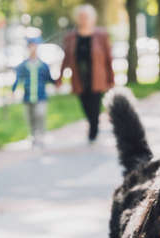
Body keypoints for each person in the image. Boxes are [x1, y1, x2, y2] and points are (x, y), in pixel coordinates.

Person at [57, 4, 114, 143]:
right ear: (77, 19)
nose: (83, 20)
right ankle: (93, 124)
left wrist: (111, 79)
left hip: (96, 78)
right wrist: (60, 77)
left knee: (94, 105)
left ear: (93, 19)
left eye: (86, 17)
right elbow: (66, 59)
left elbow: (108, 58)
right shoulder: (70, 37)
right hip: (79, 78)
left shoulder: (101, 35)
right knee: (85, 105)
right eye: (81, 17)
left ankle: (93, 129)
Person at [12, 36, 55, 149]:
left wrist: (57, 83)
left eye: (34, 46)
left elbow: (49, 78)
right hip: (27, 97)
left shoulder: (43, 65)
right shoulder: (23, 65)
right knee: (30, 118)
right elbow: (17, 79)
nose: (32, 48)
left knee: (40, 115)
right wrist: (13, 91)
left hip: (41, 97)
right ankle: (33, 136)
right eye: (30, 46)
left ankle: (41, 136)